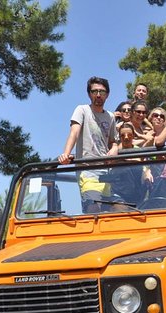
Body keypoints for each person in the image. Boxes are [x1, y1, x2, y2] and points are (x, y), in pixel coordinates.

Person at [59, 76, 119, 212]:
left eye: (102, 92)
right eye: (94, 91)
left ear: (107, 95)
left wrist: (114, 148)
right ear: (89, 94)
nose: (98, 95)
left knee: (115, 213)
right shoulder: (82, 110)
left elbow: (113, 141)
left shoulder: (110, 116)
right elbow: (74, 132)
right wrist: (66, 154)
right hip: (87, 172)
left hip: (106, 173)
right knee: (93, 210)